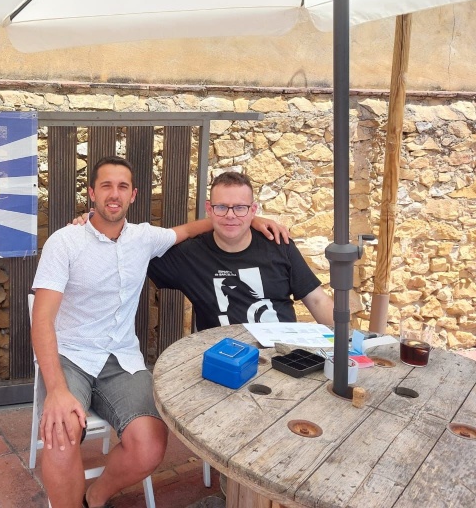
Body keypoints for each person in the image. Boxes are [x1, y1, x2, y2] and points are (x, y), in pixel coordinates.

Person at [32, 157, 284, 508]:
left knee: (150, 443)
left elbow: (191, 229)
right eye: (106, 186)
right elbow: (42, 320)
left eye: (122, 186)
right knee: (61, 433)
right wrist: (57, 391)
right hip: (70, 355)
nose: (114, 194)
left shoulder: (144, 237)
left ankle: (94, 498)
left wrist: (248, 219)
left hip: (121, 359)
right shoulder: (65, 242)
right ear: (92, 193)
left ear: (133, 195)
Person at [148, 171, 334, 331]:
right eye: (221, 207)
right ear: (209, 209)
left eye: (240, 208)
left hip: (280, 352)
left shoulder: (278, 245)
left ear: (253, 210)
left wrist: (345, 344)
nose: (230, 215)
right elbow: (140, 249)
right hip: (224, 355)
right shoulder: (189, 255)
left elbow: (317, 300)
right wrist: (240, 219)